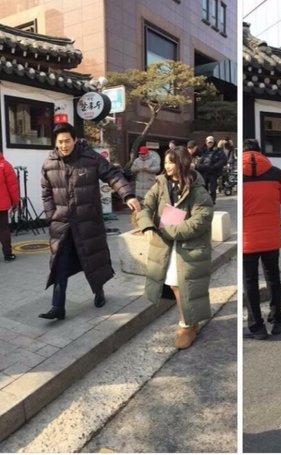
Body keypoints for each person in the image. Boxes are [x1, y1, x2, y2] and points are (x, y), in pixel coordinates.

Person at [39, 123, 141, 320]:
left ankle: (99, 291)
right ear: (55, 142)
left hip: (88, 221)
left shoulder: (90, 158)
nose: (64, 145)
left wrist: (127, 194)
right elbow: (46, 193)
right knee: (59, 263)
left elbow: (112, 174)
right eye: (60, 142)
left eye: (67, 141)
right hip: (62, 224)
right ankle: (57, 307)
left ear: (75, 140)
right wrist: (51, 216)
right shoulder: (49, 163)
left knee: (94, 260)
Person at [135, 146, 214, 350]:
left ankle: (187, 325)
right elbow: (146, 206)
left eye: (171, 162)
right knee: (175, 284)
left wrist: (169, 231)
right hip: (166, 246)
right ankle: (190, 321)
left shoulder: (198, 189)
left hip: (189, 246)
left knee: (183, 285)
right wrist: (147, 225)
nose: (167, 166)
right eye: (165, 162)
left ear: (182, 163)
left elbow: (201, 220)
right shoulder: (161, 184)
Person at [243, 138, 281, 339]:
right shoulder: (276, 173)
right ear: (260, 152)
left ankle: (257, 327)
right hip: (270, 236)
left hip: (247, 240)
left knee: (250, 282)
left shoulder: (239, 176)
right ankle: (277, 319)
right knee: (273, 278)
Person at [0, 151, 20, 262]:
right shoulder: (5, 165)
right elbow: (13, 186)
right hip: (1, 205)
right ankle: (8, 254)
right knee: (3, 230)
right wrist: (15, 202)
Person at [197, 135, 227, 205]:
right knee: (204, 188)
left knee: (212, 189)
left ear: (214, 142)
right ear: (206, 142)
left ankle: (212, 201)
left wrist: (214, 166)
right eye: (209, 142)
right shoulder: (201, 150)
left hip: (213, 172)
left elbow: (223, 160)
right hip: (204, 171)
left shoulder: (218, 150)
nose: (210, 144)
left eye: (211, 142)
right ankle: (205, 201)